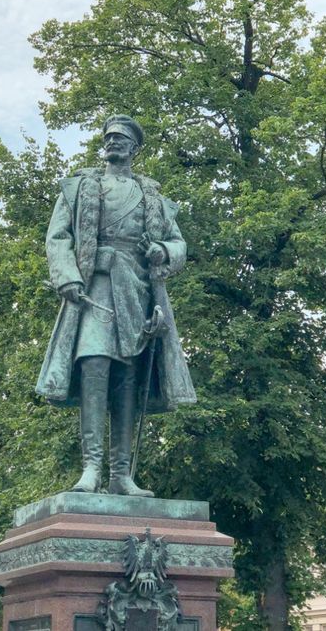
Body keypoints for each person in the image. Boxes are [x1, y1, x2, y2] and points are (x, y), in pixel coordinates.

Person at [36, 115, 196, 496]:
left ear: (134, 148)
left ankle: (121, 474)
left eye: (121, 138)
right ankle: (91, 468)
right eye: (109, 137)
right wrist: (69, 276)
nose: (113, 142)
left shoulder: (153, 197)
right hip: (97, 286)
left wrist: (162, 250)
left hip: (137, 291)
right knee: (94, 366)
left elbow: (178, 244)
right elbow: (58, 237)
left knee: (129, 380)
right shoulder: (78, 189)